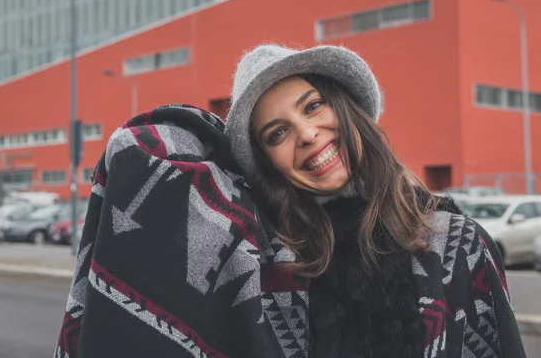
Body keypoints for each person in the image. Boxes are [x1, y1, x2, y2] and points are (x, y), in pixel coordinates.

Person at [224, 44, 526, 357]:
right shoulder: (268, 269)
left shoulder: (458, 243)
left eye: (313, 106)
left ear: (346, 106)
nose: (307, 134)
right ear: (266, 163)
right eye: (277, 133)